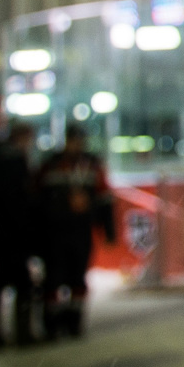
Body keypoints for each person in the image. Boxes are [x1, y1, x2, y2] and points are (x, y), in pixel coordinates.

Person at [34, 123, 115, 340]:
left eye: (80, 141)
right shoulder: (52, 165)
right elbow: (38, 199)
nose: (77, 145)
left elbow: (104, 199)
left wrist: (108, 230)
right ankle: (52, 324)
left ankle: (74, 322)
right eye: (73, 141)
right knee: (53, 278)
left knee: (78, 277)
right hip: (55, 231)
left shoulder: (91, 166)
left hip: (81, 229)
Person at [0, 123, 41, 350]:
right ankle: (21, 334)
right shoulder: (14, 160)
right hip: (12, 231)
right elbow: (19, 198)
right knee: (21, 281)